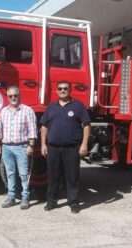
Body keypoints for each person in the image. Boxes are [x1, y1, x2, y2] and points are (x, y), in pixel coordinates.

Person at [40, 81, 91, 214]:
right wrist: (43, 144)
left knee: (72, 177)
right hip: (53, 148)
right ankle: (51, 201)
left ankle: (73, 202)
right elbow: (44, 126)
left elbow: (86, 125)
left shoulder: (78, 106)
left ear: (70, 90)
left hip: (72, 148)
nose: (62, 90)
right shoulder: (51, 107)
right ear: (56, 91)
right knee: (53, 176)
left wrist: (84, 144)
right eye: (60, 88)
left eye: (65, 88)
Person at [0, 85, 37, 209]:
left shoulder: (27, 110)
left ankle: (25, 197)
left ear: (19, 95)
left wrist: (30, 146)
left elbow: (32, 130)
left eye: (15, 95)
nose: (13, 98)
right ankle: (11, 197)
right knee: (10, 173)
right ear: (7, 97)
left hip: (22, 147)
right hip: (7, 147)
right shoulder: (3, 111)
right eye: (10, 96)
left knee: (24, 174)